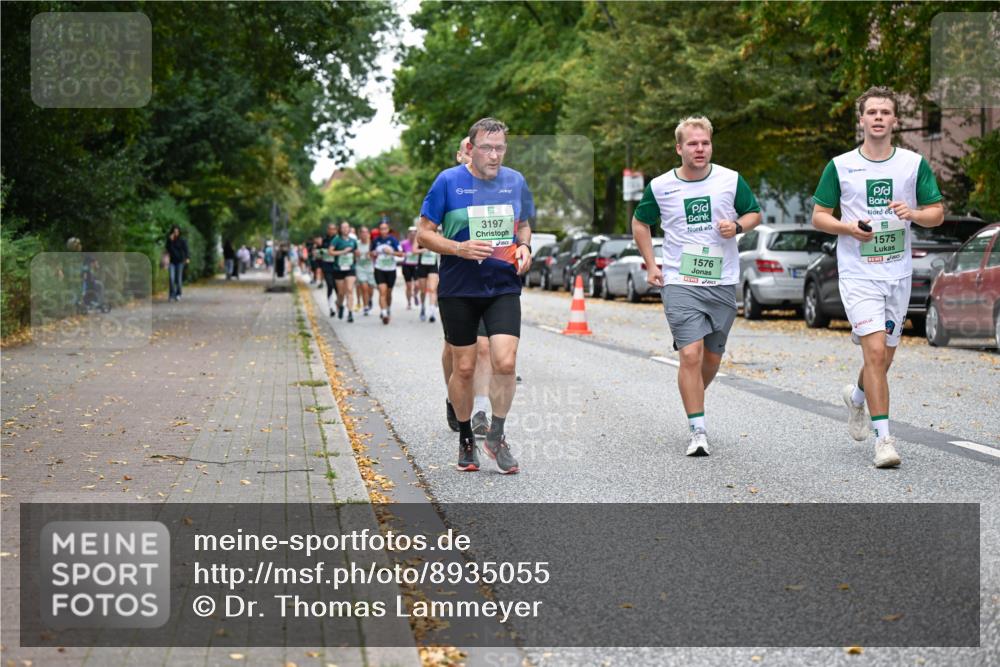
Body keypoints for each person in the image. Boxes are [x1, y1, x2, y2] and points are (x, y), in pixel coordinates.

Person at [811, 86, 944, 468]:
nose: (879, 118)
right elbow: (819, 216)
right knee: (872, 350)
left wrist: (913, 214)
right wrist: (848, 228)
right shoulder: (839, 166)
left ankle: (856, 398)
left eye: (886, 112)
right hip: (858, 273)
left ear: (895, 121)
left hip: (897, 274)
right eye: (872, 112)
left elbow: (936, 212)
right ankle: (884, 440)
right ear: (862, 120)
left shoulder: (912, 164)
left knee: (883, 358)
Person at [632, 115, 762, 457]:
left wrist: (736, 226)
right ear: (679, 148)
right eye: (692, 143)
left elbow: (753, 214)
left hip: (721, 279)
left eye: (704, 142)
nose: (699, 148)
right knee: (690, 353)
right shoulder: (661, 186)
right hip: (679, 279)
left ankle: (692, 397)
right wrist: (651, 263)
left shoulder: (730, 180)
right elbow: (640, 223)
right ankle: (698, 429)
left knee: (711, 361)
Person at [417, 118, 534, 474]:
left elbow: (525, 223)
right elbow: (423, 234)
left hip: (502, 285)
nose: (495, 155)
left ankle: (496, 435)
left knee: (506, 362)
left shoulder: (515, 181)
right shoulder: (448, 181)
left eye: (500, 148)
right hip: (459, 288)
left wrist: (526, 246)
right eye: (487, 148)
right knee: (464, 367)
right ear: (470, 148)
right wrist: (458, 247)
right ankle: (466, 437)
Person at [438, 137, 494, 435]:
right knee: (454, 351)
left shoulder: (496, 186)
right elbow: (429, 233)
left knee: (484, 347)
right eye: (468, 150)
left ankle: (481, 411)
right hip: (457, 281)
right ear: (461, 154)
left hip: (490, 282)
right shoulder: (448, 186)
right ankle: (454, 395)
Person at [371, 220, 403, 324]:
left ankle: (387, 308)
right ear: (379, 230)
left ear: (388, 229)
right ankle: (384, 313)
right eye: (381, 229)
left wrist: (392, 252)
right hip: (379, 269)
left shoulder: (393, 240)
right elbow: (370, 253)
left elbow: (401, 254)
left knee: (389, 293)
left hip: (391, 270)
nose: (383, 230)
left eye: (385, 228)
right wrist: (374, 253)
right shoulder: (376, 241)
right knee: (382, 291)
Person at [329, 221, 358, 322]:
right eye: (343, 227)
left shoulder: (353, 240)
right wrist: (342, 252)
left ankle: (350, 313)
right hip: (338, 269)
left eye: (347, 227)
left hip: (350, 268)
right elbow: (330, 252)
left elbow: (356, 252)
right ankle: (340, 305)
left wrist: (357, 254)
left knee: (350, 290)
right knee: (341, 293)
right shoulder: (336, 240)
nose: (345, 229)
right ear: (340, 229)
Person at [415, 222, 440, 323]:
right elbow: (414, 250)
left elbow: (442, 249)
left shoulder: (438, 236)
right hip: (422, 266)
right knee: (423, 291)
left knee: (432, 289)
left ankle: (432, 312)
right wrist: (425, 249)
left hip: (433, 266)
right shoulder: (421, 236)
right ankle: (422, 308)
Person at [319, 222, 340, 316]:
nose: (331, 231)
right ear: (328, 230)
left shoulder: (338, 239)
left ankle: (339, 304)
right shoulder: (324, 240)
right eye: (330, 229)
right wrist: (321, 252)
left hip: (337, 266)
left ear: (336, 230)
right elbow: (320, 251)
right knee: (330, 284)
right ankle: (331, 307)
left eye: (333, 229)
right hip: (327, 265)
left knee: (338, 287)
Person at [355, 225, 376, 316]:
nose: (364, 234)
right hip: (360, 268)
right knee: (364, 287)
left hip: (370, 268)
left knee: (371, 288)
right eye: (362, 232)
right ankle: (366, 307)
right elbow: (352, 255)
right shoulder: (356, 243)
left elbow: (376, 254)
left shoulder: (372, 243)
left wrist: (372, 255)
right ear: (359, 234)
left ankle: (369, 299)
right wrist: (355, 254)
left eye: (366, 232)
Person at [166, 225, 191, 302]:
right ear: (172, 232)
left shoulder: (182, 240)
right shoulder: (170, 240)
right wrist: (170, 241)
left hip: (180, 262)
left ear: (179, 232)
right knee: (171, 278)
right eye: (174, 232)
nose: (175, 233)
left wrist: (187, 258)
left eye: (177, 232)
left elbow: (186, 250)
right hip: (171, 262)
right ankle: (171, 295)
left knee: (178, 279)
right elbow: (167, 249)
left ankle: (178, 294)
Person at [401, 227, 420, 310]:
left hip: (416, 265)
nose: (413, 235)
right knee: (408, 286)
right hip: (406, 265)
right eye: (411, 233)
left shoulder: (419, 243)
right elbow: (400, 253)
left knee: (417, 285)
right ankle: (409, 302)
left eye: (414, 233)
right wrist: (404, 254)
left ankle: (415, 295)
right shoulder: (404, 243)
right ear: (408, 234)